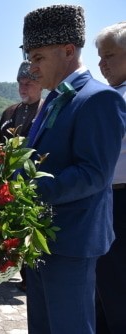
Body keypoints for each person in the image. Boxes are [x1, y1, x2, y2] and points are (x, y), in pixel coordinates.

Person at [21, 5, 126, 333]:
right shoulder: (56, 98)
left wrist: (25, 191)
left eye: (38, 58)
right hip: (42, 239)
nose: (32, 68)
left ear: (68, 51)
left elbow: (94, 174)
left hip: (72, 241)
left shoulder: (99, 99)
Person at [0, 60, 43, 293]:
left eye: (29, 83)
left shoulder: (46, 110)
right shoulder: (9, 112)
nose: (24, 88)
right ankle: (14, 270)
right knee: (11, 228)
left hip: (33, 182)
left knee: (31, 230)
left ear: (40, 83)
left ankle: (31, 276)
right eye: (20, 83)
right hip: (9, 182)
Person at [95, 21, 126, 334]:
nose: (102, 63)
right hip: (111, 196)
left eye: (110, 55)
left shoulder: (119, 98)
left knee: (115, 285)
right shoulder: (113, 93)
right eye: (100, 56)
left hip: (119, 200)